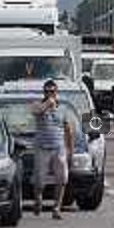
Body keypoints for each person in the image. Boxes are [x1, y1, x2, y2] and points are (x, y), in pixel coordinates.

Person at [32, 79, 74, 219]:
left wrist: (70, 149)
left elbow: (68, 130)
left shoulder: (63, 109)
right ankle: (38, 199)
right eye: (47, 91)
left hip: (58, 148)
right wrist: (47, 105)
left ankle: (56, 208)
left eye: (52, 91)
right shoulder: (39, 104)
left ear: (57, 92)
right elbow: (35, 111)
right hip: (42, 148)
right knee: (39, 179)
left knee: (62, 179)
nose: (50, 94)